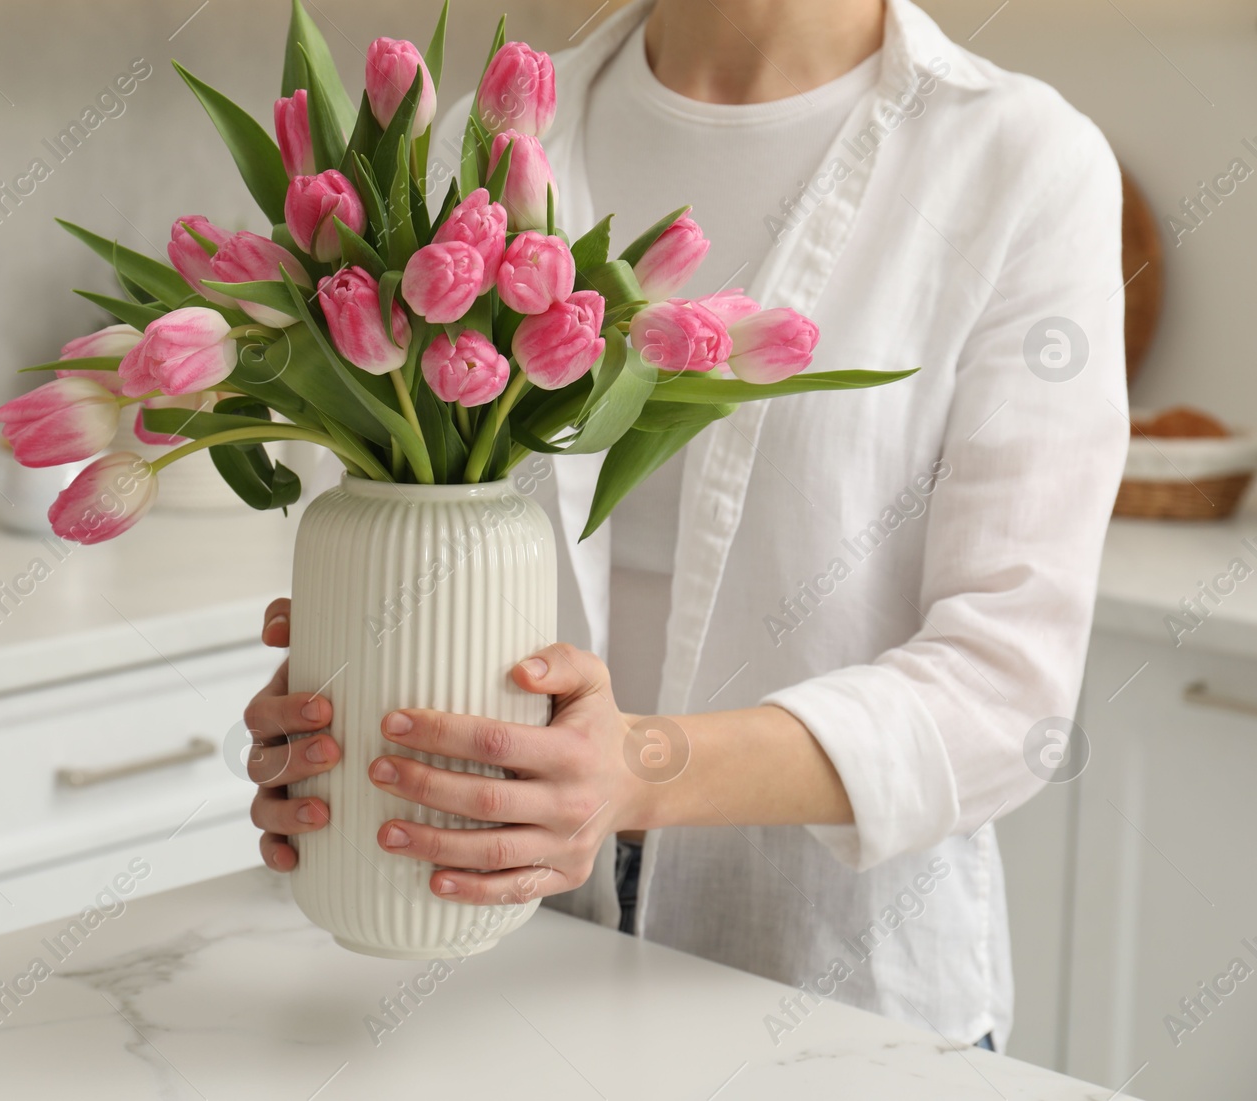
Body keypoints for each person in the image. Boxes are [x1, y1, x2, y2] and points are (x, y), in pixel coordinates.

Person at [243, 0, 1127, 1053]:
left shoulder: (1019, 162)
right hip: (490, 963)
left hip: (833, 991)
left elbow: (1004, 694)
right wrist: (346, 699)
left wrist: (639, 767)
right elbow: (403, 507)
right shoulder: (460, 147)